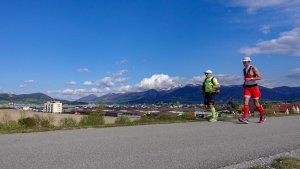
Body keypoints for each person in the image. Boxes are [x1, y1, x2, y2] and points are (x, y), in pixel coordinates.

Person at [239, 57, 266, 124]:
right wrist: (244, 83)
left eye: (245, 62)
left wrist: (251, 78)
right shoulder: (244, 70)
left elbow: (260, 77)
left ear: (249, 62)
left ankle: (262, 115)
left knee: (256, 103)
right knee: (245, 101)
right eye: (243, 62)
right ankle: (245, 118)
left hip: (254, 87)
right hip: (247, 87)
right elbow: (245, 78)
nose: (244, 63)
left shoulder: (253, 68)